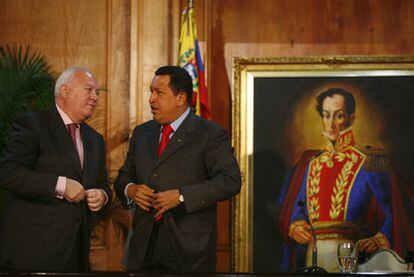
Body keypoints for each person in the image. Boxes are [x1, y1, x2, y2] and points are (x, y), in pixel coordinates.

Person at [114, 65, 241, 272]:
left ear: (181, 99)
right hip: (143, 249)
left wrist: (182, 196)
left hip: (188, 254)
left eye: (159, 93)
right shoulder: (142, 133)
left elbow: (230, 181)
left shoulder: (209, 133)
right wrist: (131, 190)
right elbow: (123, 177)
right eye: (151, 92)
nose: (151, 99)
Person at [0, 66, 111, 272]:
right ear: (65, 91)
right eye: (89, 89)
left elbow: (103, 184)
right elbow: (9, 173)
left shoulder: (95, 139)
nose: (95, 97)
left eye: (96, 92)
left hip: (76, 256)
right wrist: (60, 185)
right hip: (33, 253)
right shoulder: (32, 125)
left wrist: (102, 196)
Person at [277, 88, 395, 272]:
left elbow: (393, 210)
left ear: (351, 118)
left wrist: (378, 239)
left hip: (350, 256)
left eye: (338, 116)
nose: (331, 124)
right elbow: (297, 209)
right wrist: (296, 225)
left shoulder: (369, 162)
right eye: (326, 115)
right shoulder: (309, 163)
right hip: (312, 255)